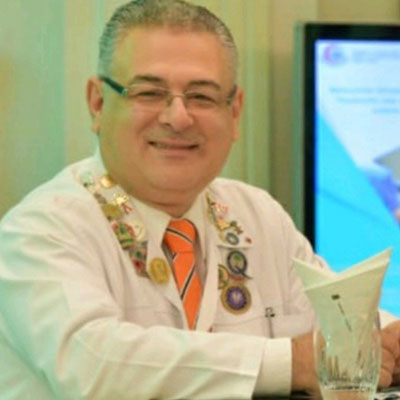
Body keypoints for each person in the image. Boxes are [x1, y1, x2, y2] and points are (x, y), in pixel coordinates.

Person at [0, 0, 399, 398]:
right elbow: (94, 364)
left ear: (235, 112)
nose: (178, 117)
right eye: (149, 92)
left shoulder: (257, 216)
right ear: (98, 103)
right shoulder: (40, 230)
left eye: (202, 97)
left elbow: (337, 318)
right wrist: (296, 363)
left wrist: (386, 339)